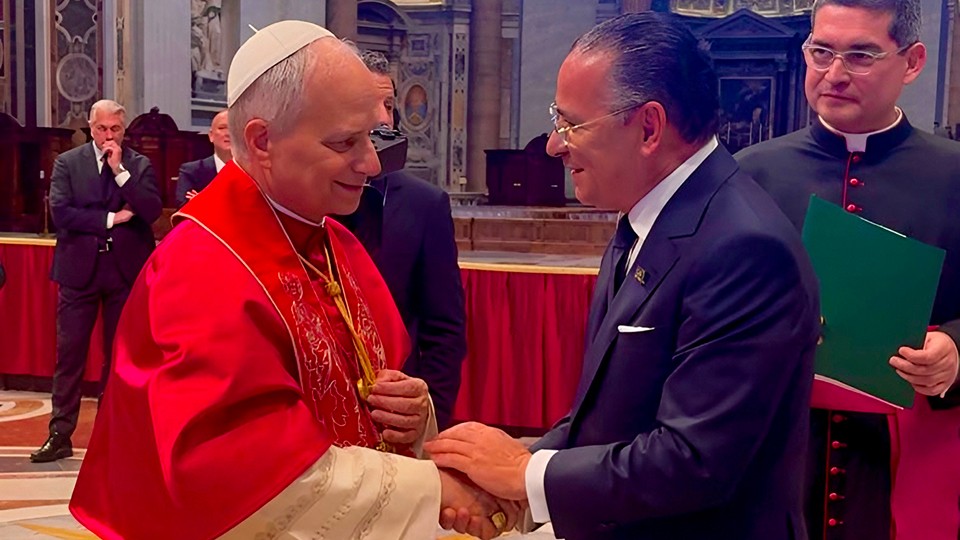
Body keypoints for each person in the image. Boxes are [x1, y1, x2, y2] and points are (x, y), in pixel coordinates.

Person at [69, 21, 516, 540]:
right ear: (262, 141)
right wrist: (434, 488)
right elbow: (239, 473)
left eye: (370, 136)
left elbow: (357, 394)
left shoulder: (328, 238)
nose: (371, 163)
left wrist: (414, 415)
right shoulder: (200, 269)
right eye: (346, 141)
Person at [426, 12, 820, 540]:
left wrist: (526, 474)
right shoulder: (645, 215)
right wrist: (519, 464)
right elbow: (610, 420)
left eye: (572, 124)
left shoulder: (744, 248)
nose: (552, 145)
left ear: (649, 128)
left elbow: (694, 460)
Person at [736, 0, 960, 538]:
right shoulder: (748, 174)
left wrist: (957, 350)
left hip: (906, 459)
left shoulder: (953, 175)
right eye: (821, 52)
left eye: (860, 55)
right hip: (775, 450)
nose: (834, 73)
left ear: (912, 62)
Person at [340, 50, 467, 430]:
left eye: (390, 104)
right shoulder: (305, 197)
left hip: (396, 418)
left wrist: (430, 420)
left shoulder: (425, 204)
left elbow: (445, 330)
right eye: (370, 102)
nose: (383, 117)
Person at [30, 99, 162, 464]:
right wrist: (111, 219)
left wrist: (121, 172)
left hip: (123, 272)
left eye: (115, 129)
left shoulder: (138, 165)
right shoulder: (67, 164)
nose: (108, 136)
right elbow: (63, 213)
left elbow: (150, 210)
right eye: (102, 129)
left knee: (118, 357)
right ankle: (59, 433)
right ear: (90, 127)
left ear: (124, 130)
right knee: (70, 353)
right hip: (79, 272)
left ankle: (112, 432)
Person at [175, 109, 231, 207]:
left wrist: (203, 202)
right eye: (222, 128)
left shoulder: (254, 171)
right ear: (211, 135)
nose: (228, 133)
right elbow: (184, 209)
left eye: (234, 128)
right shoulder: (191, 171)